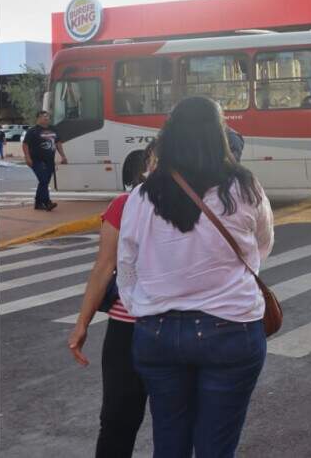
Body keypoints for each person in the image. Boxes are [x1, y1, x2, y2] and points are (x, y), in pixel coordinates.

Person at [116, 96, 273, 457]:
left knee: (169, 441)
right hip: (231, 330)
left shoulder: (141, 196)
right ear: (219, 137)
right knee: (216, 446)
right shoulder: (246, 189)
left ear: (169, 138)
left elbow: (126, 265)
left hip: (157, 333)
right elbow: (262, 247)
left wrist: (145, 305)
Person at [67, 141, 156, 458]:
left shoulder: (127, 203)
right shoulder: (126, 204)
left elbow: (103, 268)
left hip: (136, 329)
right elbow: (104, 268)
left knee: (123, 421)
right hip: (157, 327)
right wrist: (82, 322)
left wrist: (82, 324)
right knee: (160, 423)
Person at [22, 110, 68, 211]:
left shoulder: (53, 129)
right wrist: (27, 157)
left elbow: (58, 143)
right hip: (37, 161)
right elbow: (25, 145)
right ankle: (47, 202)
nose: (47, 119)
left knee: (44, 182)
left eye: (48, 117)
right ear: (38, 118)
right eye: (44, 117)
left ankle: (38, 203)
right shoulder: (32, 131)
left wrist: (63, 156)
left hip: (49, 161)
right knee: (43, 180)